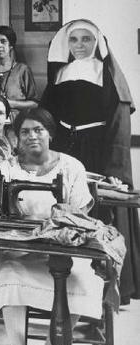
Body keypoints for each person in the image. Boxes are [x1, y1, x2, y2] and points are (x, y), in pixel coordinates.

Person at [0, 107, 102, 345]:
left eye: (38, 130)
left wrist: (57, 226)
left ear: (50, 134)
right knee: (8, 275)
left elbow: (80, 216)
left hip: (62, 251)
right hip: (19, 252)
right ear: (17, 137)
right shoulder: (7, 169)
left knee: (85, 283)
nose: (32, 136)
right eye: (25, 131)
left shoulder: (71, 167)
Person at [41, 19, 138, 303]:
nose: (80, 45)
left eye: (86, 39)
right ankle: (63, 283)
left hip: (97, 151)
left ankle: (104, 288)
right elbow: (45, 117)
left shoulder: (106, 73)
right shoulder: (60, 74)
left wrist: (115, 168)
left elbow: (119, 124)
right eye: (74, 39)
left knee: (98, 212)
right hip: (63, 148)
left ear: (97, 43)